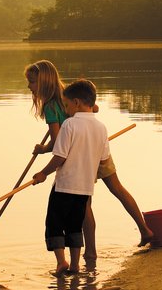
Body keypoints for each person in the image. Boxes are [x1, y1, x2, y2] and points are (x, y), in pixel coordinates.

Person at [25, 60, 154, 261]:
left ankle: (91, 251)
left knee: (82, 203)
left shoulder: (51, 106)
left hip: (77, 157)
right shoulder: (69, 92)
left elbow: (59, 142)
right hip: (96, 147)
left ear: (43, 83)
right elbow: (94, 108)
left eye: (32, 82)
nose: (29, 87)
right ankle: (145, 229)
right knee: (117, 188)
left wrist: (43, 150)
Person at [32, 79, 109, 275]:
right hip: (85, 189)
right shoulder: (101, 128)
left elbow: (60, 156)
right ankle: (75, 264)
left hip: (64, 185)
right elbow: (103, 159)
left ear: (77, 103)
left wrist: (43, 173)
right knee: (75, 226)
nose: (65, 110)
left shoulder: (70, 125)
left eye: (66, 105)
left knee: (55, 224)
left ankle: (61, 262)